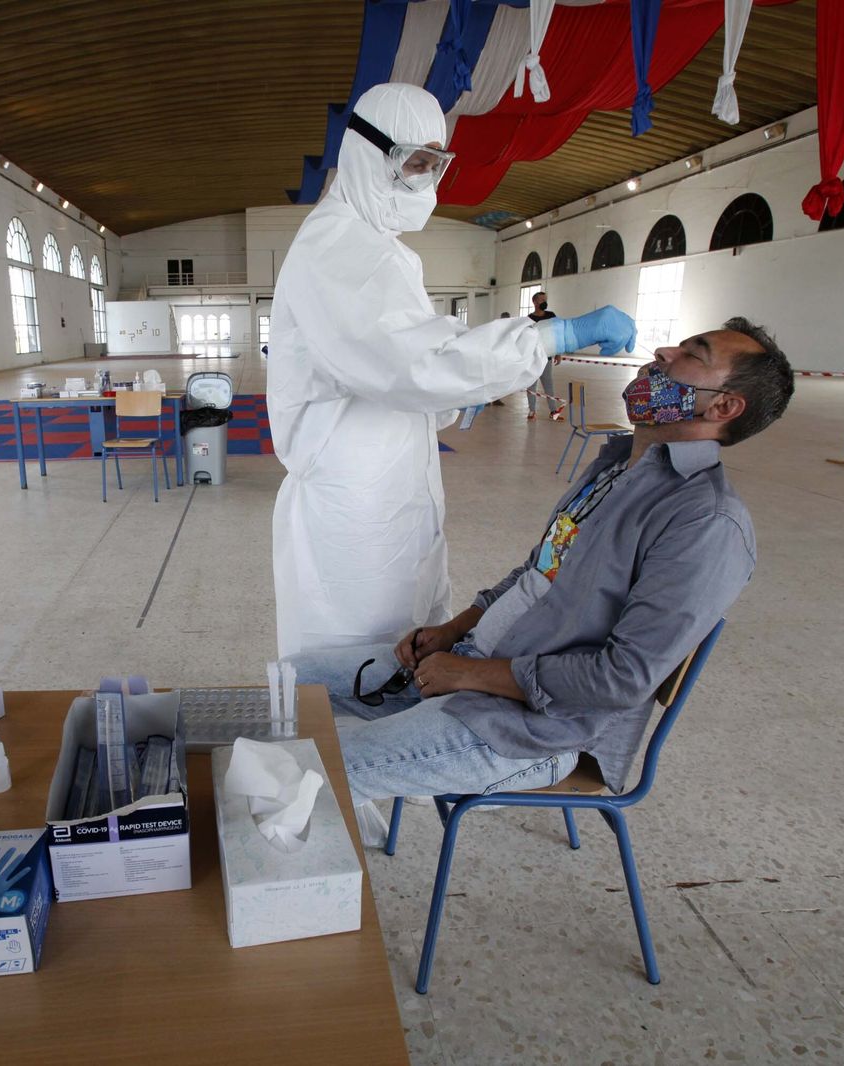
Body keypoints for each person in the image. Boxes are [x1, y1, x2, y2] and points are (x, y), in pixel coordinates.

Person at [286, 319, 794, 835]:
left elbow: (621, 678)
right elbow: (537, 571)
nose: (664, 351)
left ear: (723, 405)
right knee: (287, 686)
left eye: (693, 353)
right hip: (469, 663)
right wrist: (453, 632)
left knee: (302, 771)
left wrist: (466, 675)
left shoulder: (705, 523)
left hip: (533, 730)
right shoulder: (618, 467)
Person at [268, 82, 637, 659]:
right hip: (353, 500)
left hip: (385, 484)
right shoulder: (341, 248)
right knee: (356, 659)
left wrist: (450, 390)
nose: (426, 182)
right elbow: (414, 363)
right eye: (414, 163)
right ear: (369, 153)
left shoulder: (375, 247)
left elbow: (405, 364)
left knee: (400, 643)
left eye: (435, 165)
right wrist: (548, 335)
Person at [526, 291, 565, 422]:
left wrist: (558, 353)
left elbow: (557, 334)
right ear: (535, 302)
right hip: (533, 358)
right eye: (542, 299)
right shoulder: (529, 319)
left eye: (545, 299)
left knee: (548, 384)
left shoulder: (551, 316)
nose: (545, 302)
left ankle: (553, 411)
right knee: (531, 384)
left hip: (547, 357)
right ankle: (532, 411)